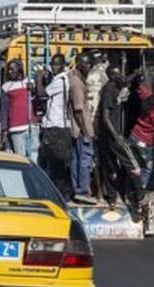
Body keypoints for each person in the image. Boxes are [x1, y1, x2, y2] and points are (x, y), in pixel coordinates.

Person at [95, 64, 141, 211]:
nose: (122, 76)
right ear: (112, 77)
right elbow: (105, 116)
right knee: (130, 162)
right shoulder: (109, 90)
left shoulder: (117, 85)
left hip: (110, 134)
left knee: (111, 166)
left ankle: (113, 197)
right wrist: (116, 135)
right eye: (118, 74)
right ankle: (139, 194)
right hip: (111, 134)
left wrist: (134, 73)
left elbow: (125, 80)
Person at [128, 81, 154, 236]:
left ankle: (136, 200)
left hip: (133, 139)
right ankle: (144, 214)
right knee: (149, 183)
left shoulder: (148, 99)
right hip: (147, 145)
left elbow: (141, 89)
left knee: (136, 173)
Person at [35, 53, 73, 201]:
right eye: (52, 65)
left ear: (63, 65)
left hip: (56, 127)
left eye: (56, 65)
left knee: (56, 165)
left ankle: (60, 196)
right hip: (54, 126)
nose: (53, 68)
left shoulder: (60, 80)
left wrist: (38, 78)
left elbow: (41, 93)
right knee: (54, 165)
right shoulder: (57, 80)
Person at [68, 53, 96, 205]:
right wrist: (86, 131)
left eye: (90, 64)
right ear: (78, 63)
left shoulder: (72, 78)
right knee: (85, 159)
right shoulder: (77, 83)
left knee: (76, 159)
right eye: (85, 64)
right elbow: (79, 110)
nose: (88, 67)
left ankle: (76, 189)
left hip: (75, 129)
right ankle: (82, 190)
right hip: (80, 129)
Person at [0, 59, 40, 163]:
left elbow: (37, 100)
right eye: (9, 69)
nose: (10, 72)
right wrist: (4, 131)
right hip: (16, 129)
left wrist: (34, 90)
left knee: (34, 158)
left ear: (20, 70)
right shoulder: (6, 87)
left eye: (12, 69)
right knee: (21, 160)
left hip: (32, 126)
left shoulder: (29, 83)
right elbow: (4, 110)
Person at [86, 50, 108, 122]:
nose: (98, 61)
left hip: (96, 96)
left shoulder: (100, 70)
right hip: (89, 96)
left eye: (98, 59)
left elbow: (105, 83)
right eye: (96, 59)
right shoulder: (90, 70)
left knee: (93, 117)